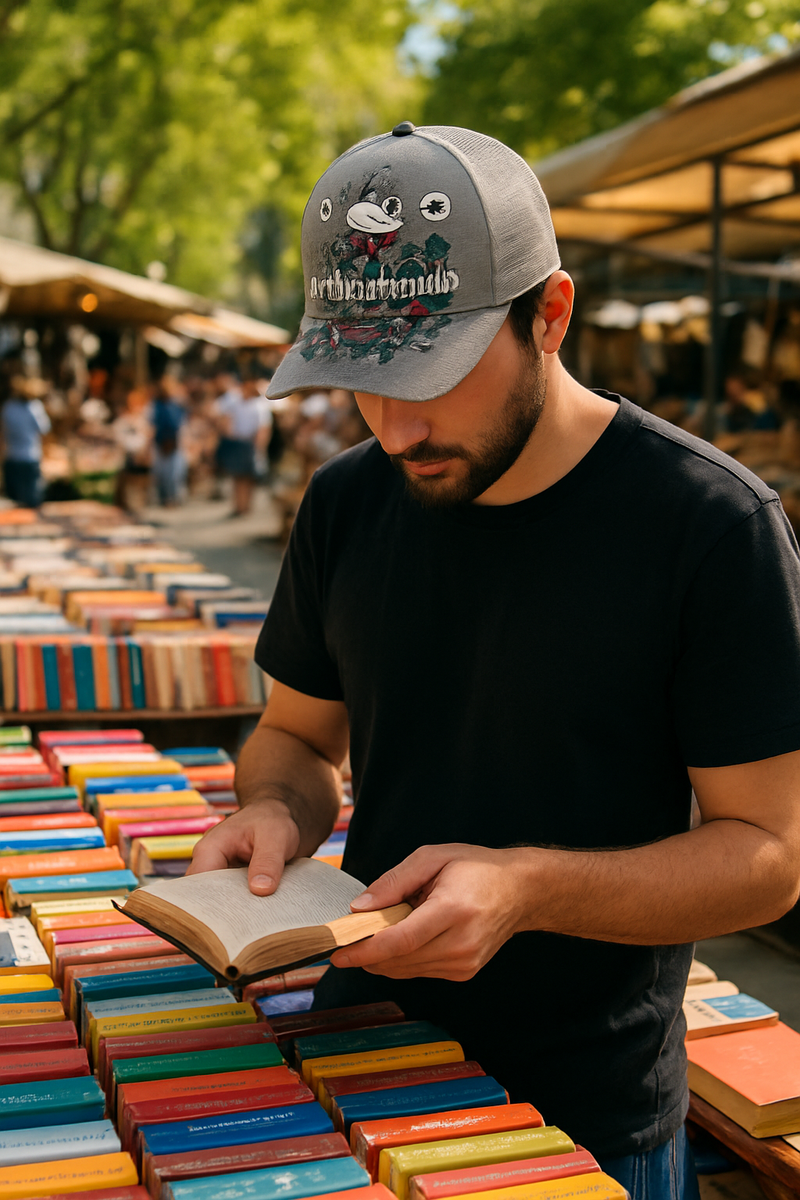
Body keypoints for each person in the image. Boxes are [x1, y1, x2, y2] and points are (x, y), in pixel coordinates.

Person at [188, 124, 800, 1199]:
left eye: (434, 369)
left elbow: (767, 854)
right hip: (352, 1061)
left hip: (585, 1114)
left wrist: (524, 889)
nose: (395, 426)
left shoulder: (709, 525)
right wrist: (276, 811)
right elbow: (293, 736)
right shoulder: (343, 501)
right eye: (357, 381)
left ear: (549, 315)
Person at [213, 376, 272, 516]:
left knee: (247, 477)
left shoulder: (260, 405)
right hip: (237, 442)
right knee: (237, 476)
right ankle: (239, 506)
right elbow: (224, 417)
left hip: (249, 443)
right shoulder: (234, 402)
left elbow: (263, 429)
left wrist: (259, 448)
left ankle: (245, 506)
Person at [1, 375, 51, 507]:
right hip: (30, 456)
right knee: (31, 501)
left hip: (11, 456)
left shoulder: (8, 407)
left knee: (14, 503)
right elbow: (45, 428)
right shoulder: (34, 407)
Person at [150, 376, 187, 507]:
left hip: (174, 442)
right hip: (160, 442)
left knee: (175, 473)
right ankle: (164, 497)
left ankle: (173, 497)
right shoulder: (156, 405)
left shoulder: (177, 405)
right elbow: (152, 425)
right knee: (161, 472)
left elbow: (181, 424)